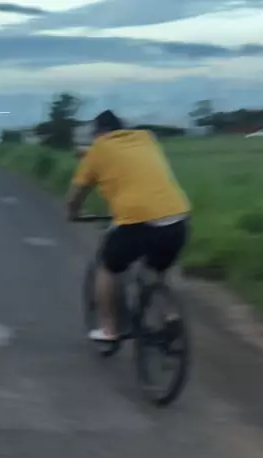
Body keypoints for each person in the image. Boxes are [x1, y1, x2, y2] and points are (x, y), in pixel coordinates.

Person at [67, 110, 190, 341]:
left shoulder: (97, 150)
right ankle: (171, 316)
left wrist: (73, 213)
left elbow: (76, 195)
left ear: (97, 133)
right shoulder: (146, 138)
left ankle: (109, 329)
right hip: (177, 217)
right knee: (156, 270)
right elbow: (123, 157)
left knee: (108, 268)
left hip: (136, 222)